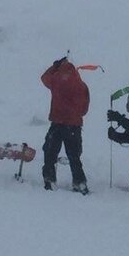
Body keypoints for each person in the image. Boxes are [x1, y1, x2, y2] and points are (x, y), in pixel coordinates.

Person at [41, 56, 90, 194]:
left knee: (50, 152)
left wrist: (55, 66)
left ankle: (50, 180)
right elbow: (84, 110)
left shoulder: (56, 80)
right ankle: (79, 183)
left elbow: (44, 78)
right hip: (74, 126)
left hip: (57, 124)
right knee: (74, 156)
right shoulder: (82, 86)